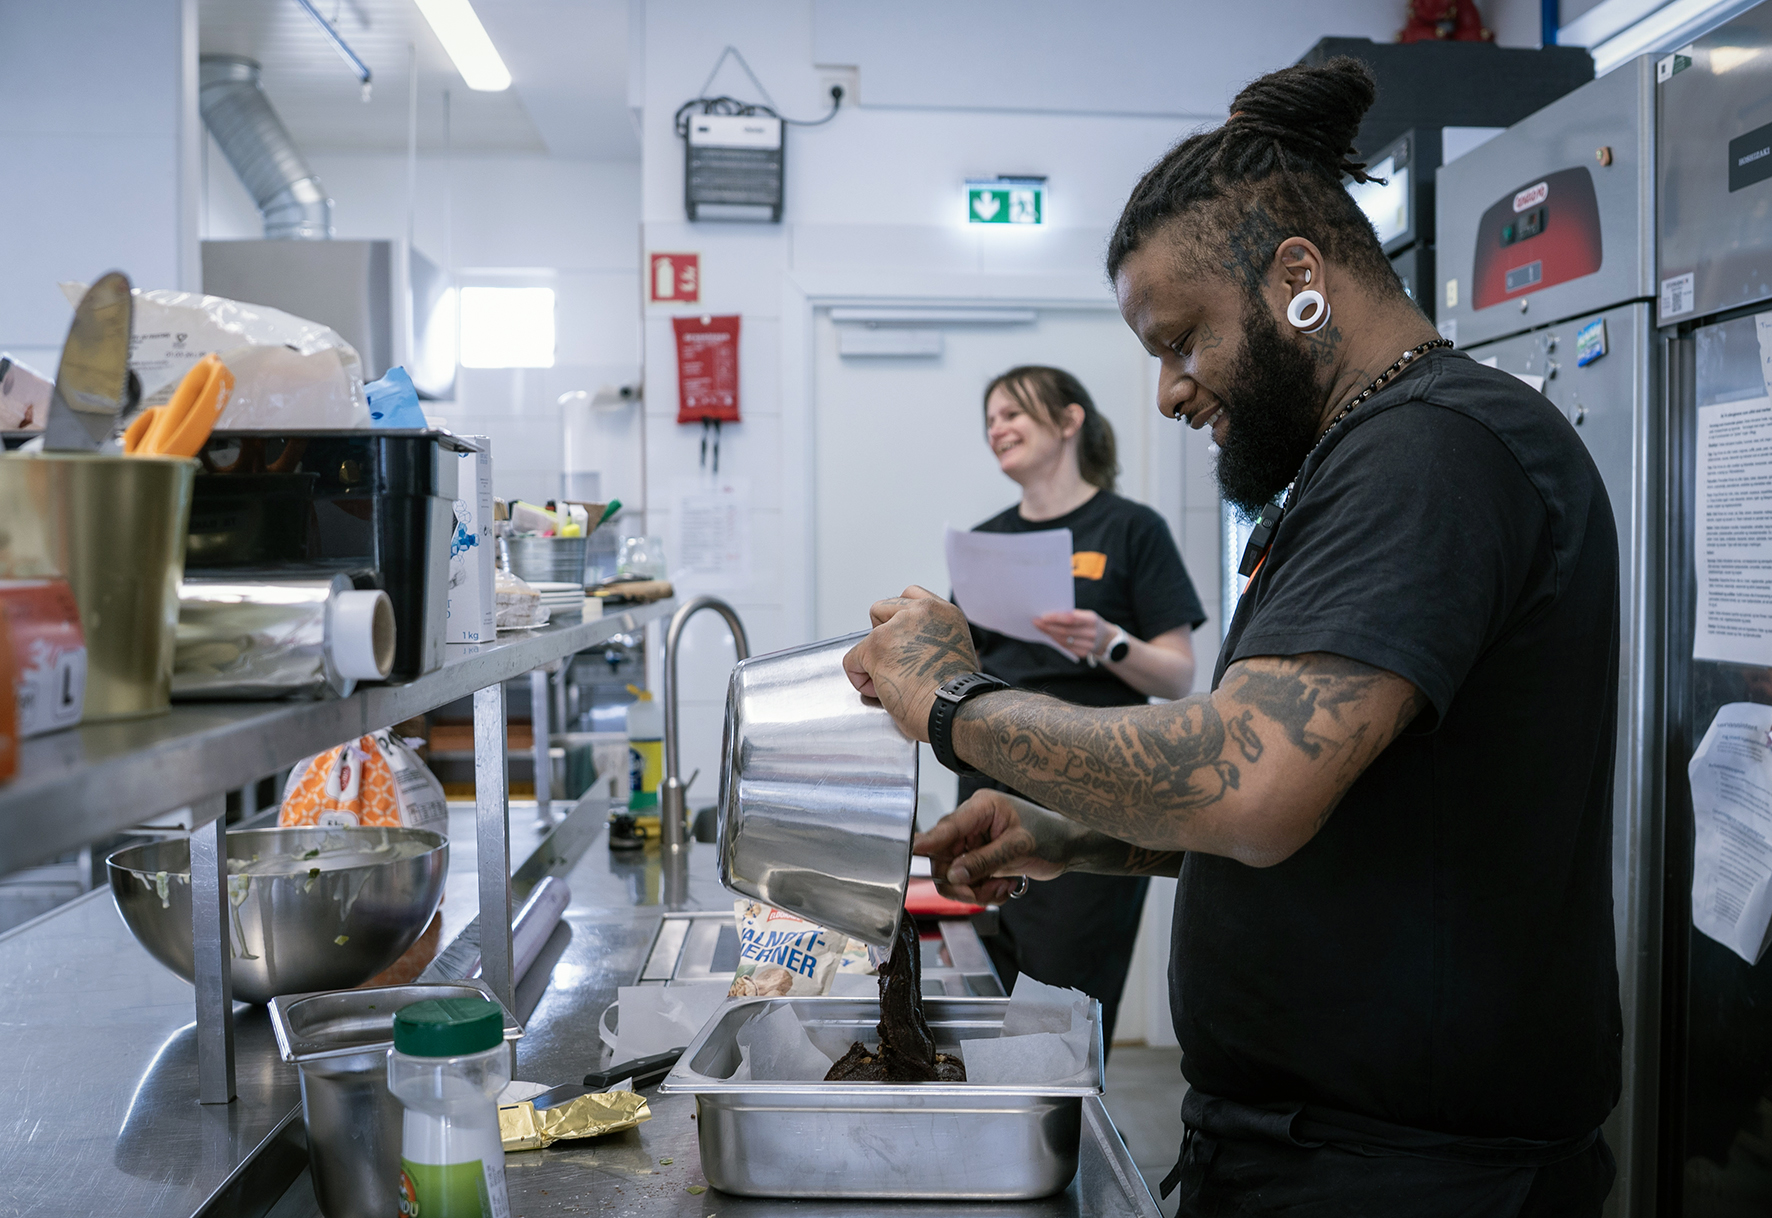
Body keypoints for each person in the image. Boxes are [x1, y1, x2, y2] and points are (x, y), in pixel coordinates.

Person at [842, 57, 1620, 1217]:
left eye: (1180, 340)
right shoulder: (1362, 459)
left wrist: (948, 700)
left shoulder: (1430, 455)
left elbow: (1247, 781)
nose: (1164, 391)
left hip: (1403, 1177)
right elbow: (1332, 806)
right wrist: (1072, 832)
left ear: (1297, 278)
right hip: (1315, 1150)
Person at [959, 364, 1205, 1048]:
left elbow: (1180, 676)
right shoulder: (985, 543)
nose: (997, 428)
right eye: (990, 420)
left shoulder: (1130, 529)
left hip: (1090, 794)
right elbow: (957, 668)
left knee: (1061, 1011)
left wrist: (1109, 642)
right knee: (987, 996)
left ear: (1070, 420)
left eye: (1014, 413)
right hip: (986, 785)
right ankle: (1007, 1148)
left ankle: (1064, 1147)